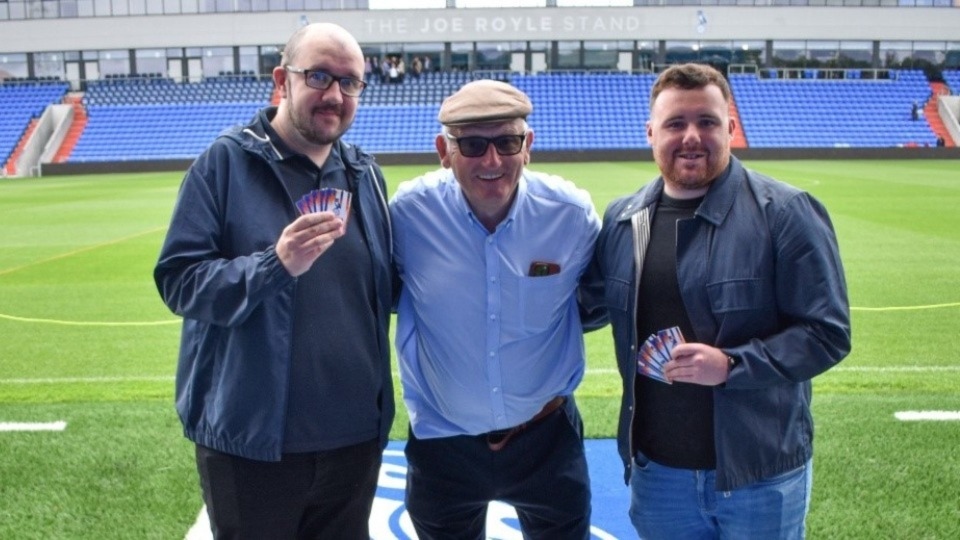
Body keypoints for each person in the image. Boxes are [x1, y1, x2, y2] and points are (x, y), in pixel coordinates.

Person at [584, 63, 851, 539]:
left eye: (706, 121)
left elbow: (827, 333)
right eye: (675, 123)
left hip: (759, 477)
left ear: (730, 127)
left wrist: (732, 364)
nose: (691, 136)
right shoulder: (625, 220)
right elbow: (583, 307)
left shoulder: (786, 213)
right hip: (659, 476)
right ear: (650, 132)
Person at [153, 22, 394, 539]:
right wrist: (274, 265)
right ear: (282, 80)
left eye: (350, 82)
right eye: (320, 76)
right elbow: (179, 281)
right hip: (252, 445)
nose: (335, 94)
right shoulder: (224, 164)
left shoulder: (365, 174)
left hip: (353, 441)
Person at [389, 79, 603, 539]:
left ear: (528, 146)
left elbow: (595, 299)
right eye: (472, 144)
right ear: (443, 151)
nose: (492, 161)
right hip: (443, 444)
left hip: (546, 438)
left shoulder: (572, 216)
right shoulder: (407, 216)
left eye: (507, 142)